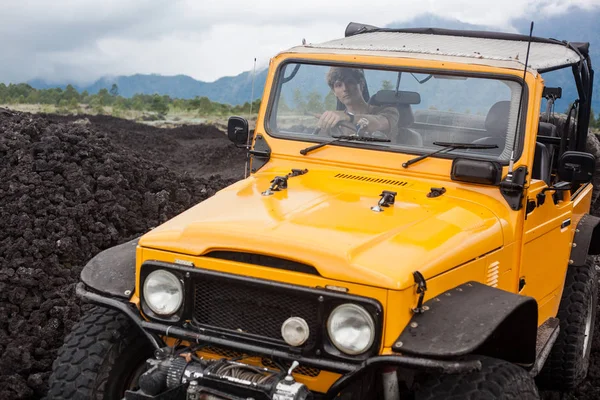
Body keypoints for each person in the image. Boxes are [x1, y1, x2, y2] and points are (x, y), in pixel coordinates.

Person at [317, 67, 399, 138]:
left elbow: (379, 123)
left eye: (350, 82)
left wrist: (349, 117)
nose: (345, 88)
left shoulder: (389, 112)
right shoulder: (332, 122)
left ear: (361, 84)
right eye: (339, 85)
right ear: (334, 92)